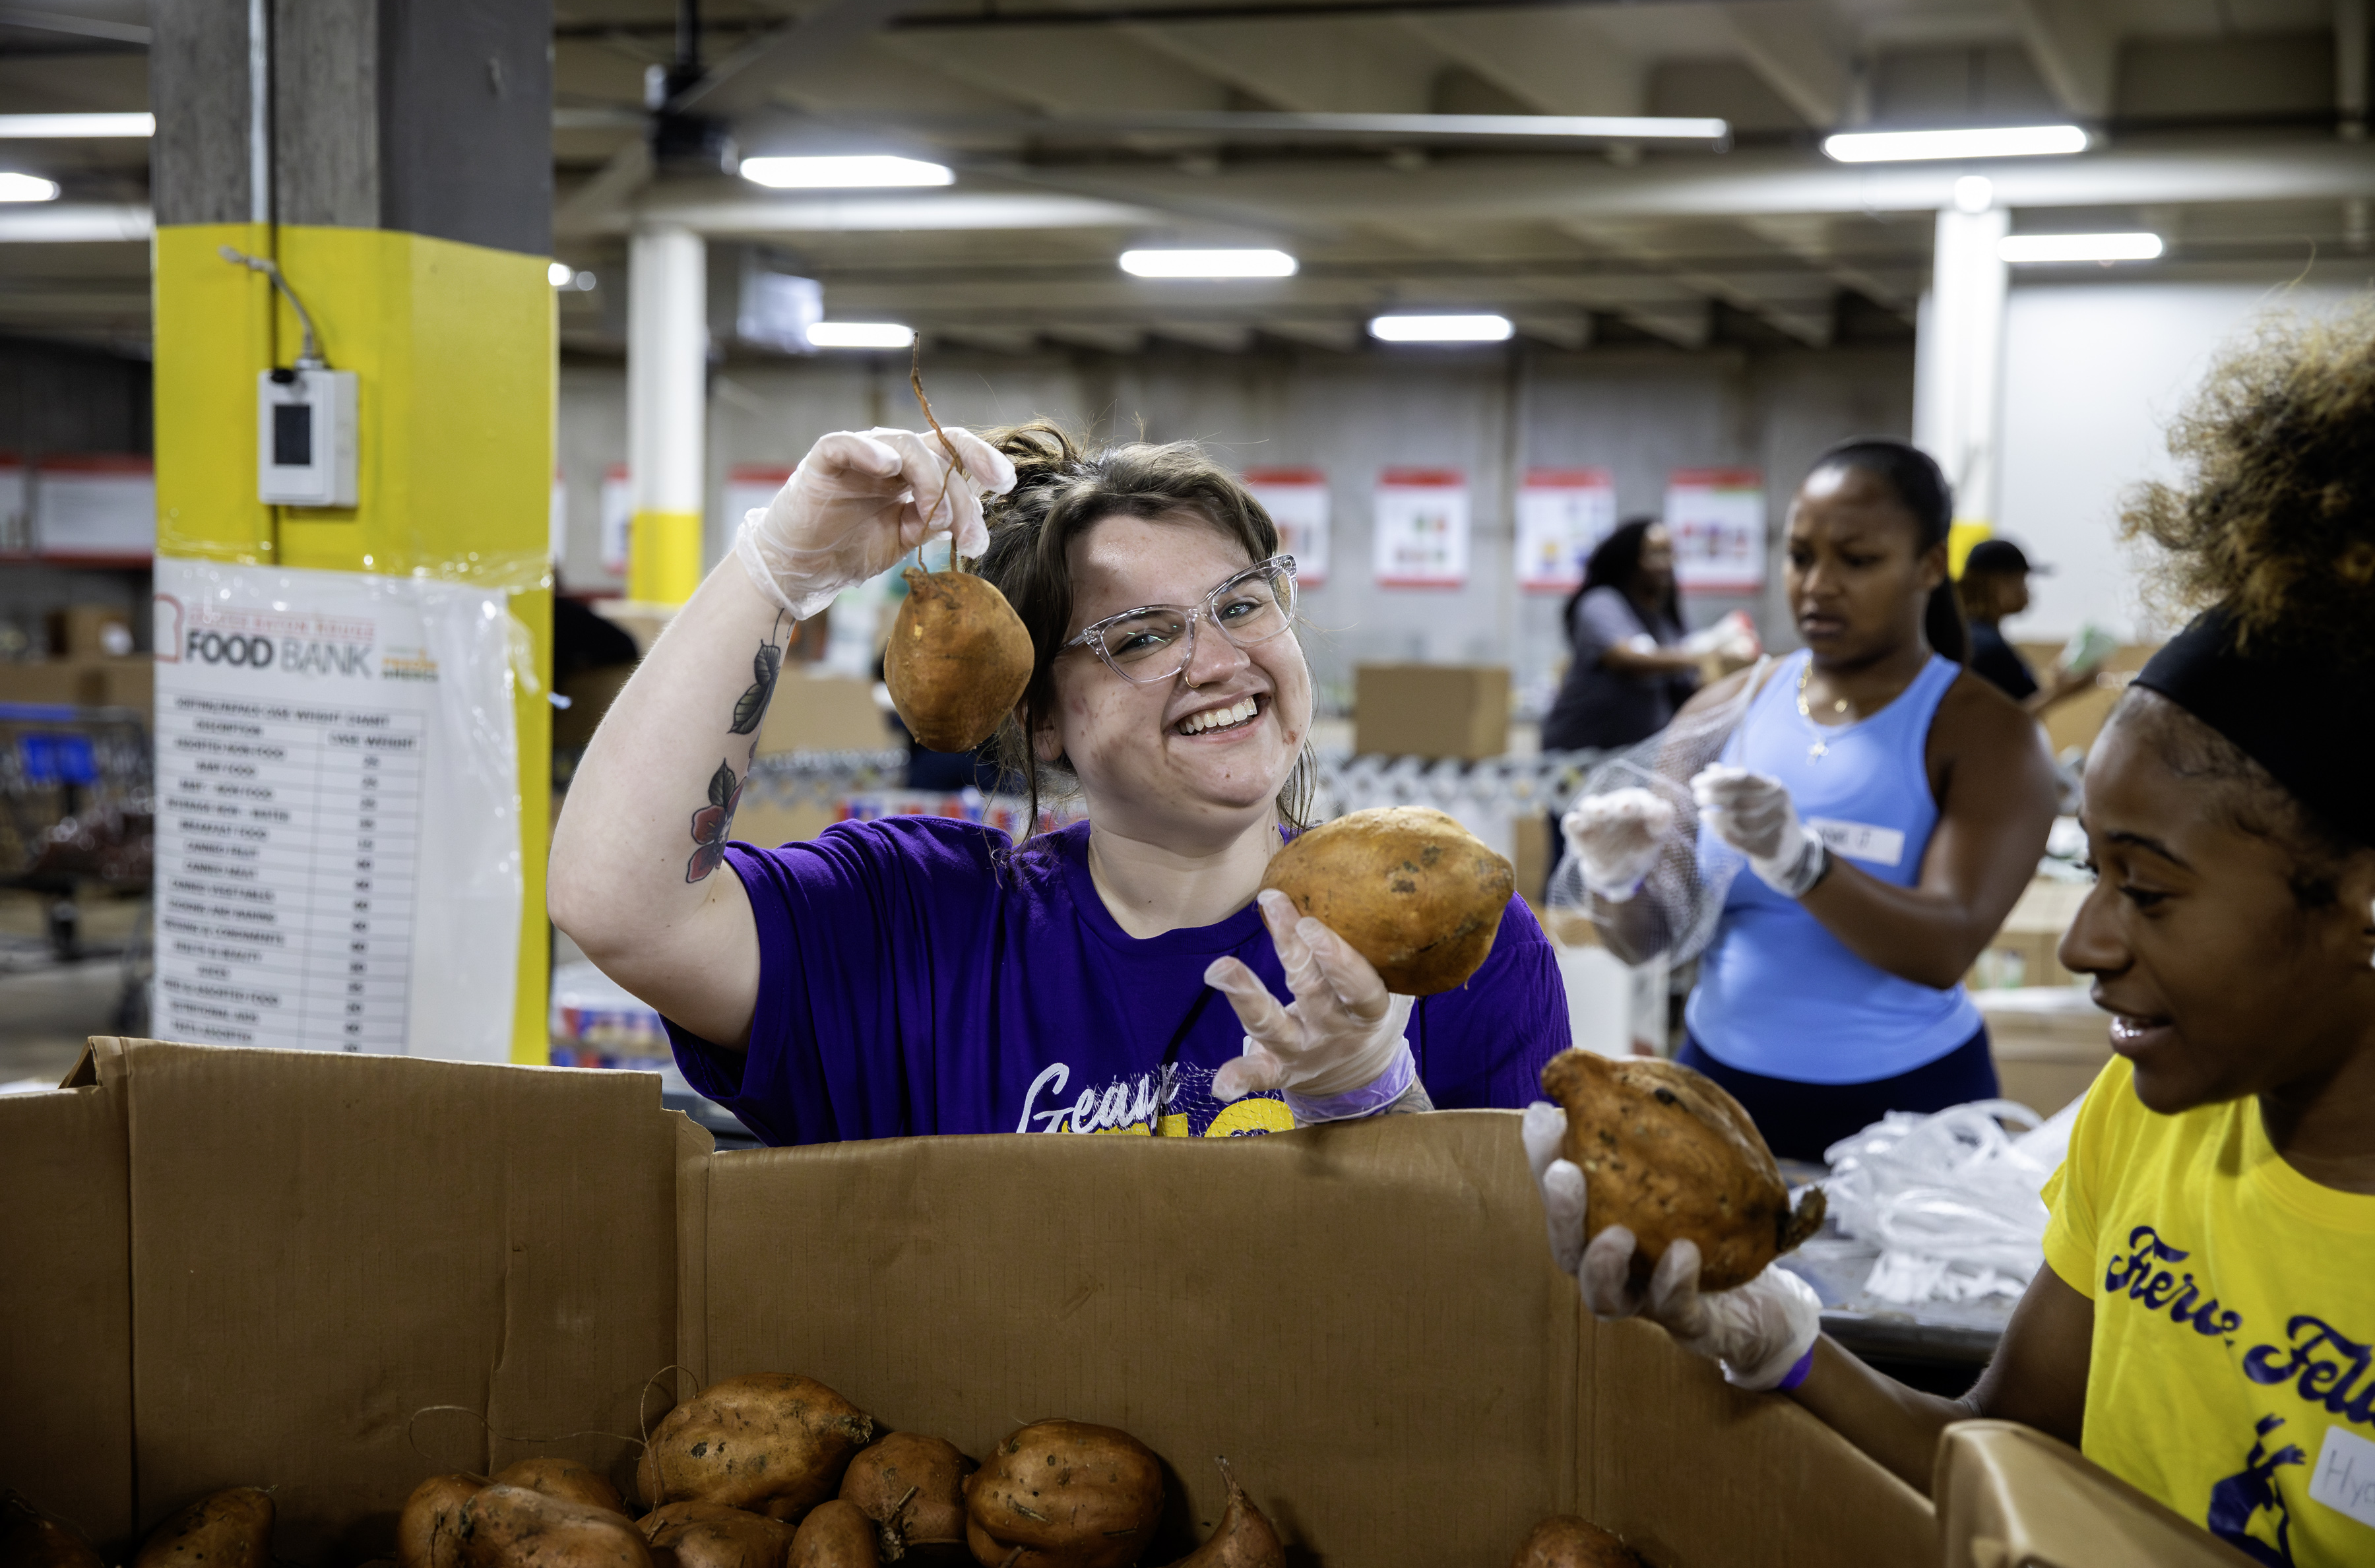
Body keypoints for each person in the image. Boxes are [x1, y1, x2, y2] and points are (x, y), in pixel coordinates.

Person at [1527, 305, 2375, 1568]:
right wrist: (1778, 1338)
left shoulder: (1974, 727)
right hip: (1739, 1083)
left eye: (2146, 890)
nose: (2086, 943)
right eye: (2096, 870)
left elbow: (1939, 945)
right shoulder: (2139, 1124)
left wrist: (1802, 859)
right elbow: (1994, 1453)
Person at [548, 420, 1568, 1145]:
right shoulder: (920, 925)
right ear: (1039, 719)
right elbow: (621, 902)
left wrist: (1375, 1100)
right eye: (1141, 636)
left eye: (1243, 604)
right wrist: (778, 572)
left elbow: (1510, 1312)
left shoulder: (1436, 934)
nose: (1218, 660)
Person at [1563, 439, 2056, 1160]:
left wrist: (1802, 863)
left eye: (1856, 561)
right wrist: (1615, 878)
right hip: (1721, 1093)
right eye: (1800, 557)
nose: (1818, 585)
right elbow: (1648, 939)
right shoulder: (1725, 709)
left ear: (1928, 566)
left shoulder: (1986, 735)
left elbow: (1944, 947)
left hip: (1908, 1108)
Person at [1541, 520, 1742, 755]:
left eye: (1670, 553)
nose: (1666, 564)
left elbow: (1690, 677)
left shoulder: (1666, 620)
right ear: (1629, 559)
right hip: (1582, 755)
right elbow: (1626, 659)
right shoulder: (1601, 604)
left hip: (1637, 753)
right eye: (1655, 554)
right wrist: (1700, 657)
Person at [1958, 536, 2090, 714]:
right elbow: (2000, 723)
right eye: (2020, 580)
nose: (2027, 590)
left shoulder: (1971, 636)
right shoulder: (1985, 647)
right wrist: (2059, 692)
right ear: (1996, 583)